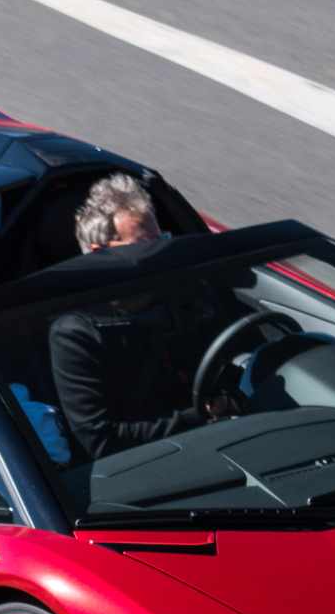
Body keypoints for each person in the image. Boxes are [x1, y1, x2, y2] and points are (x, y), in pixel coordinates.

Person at [48, 176, 234, 458]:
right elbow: (101, 440)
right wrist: (199, 416)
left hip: (231, 436)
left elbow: (234, 357)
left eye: (162, 240)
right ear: (101, 256)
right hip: (154, 464)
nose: (160, 253)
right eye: (144, 246)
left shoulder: (192, 295)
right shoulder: (76, 333)